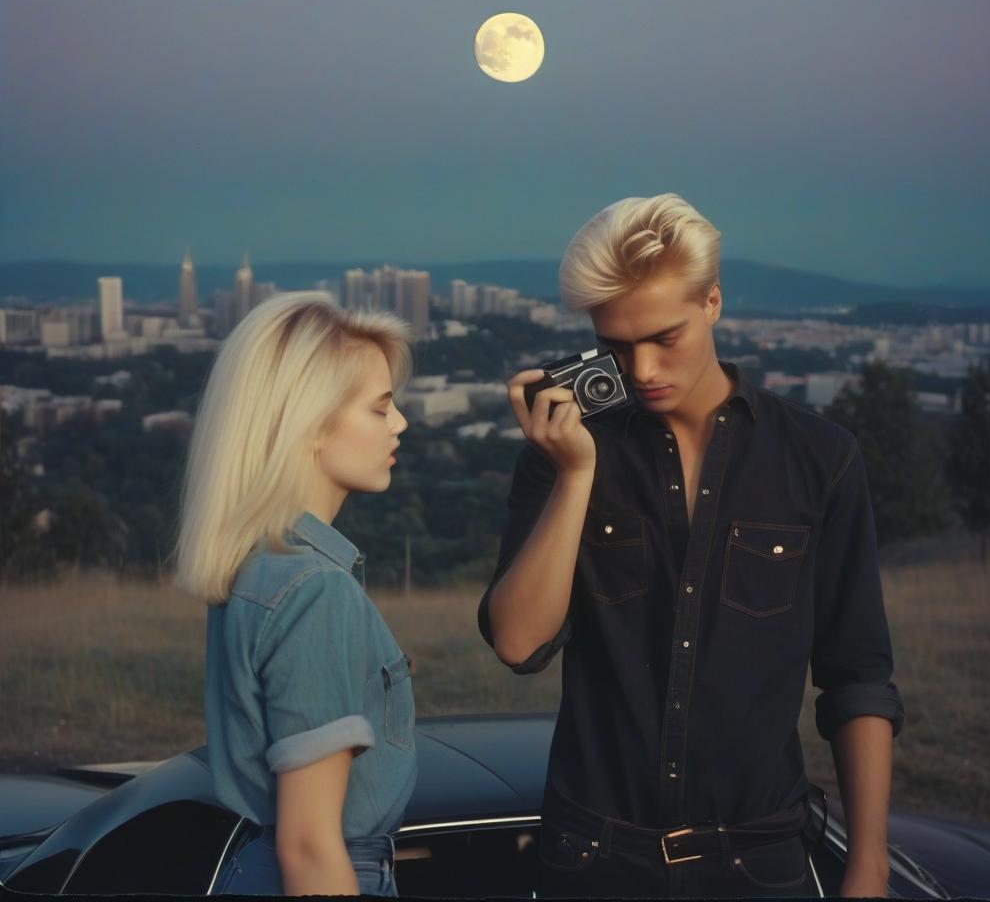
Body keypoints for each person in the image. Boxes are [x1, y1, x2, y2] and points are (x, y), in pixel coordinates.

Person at [478, 194, 905, 899]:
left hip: (759, 862)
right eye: (616, 346)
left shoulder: (819, 457)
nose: (641, 370)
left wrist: (869, 866)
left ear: (712, 302)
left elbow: (857, 673)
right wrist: (576, 473)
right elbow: (519, 643)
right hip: (590, 860)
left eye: (664, 337)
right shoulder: (567, 450)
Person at [174, 291, 415, 897]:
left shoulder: (261, 568)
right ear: (308, 423)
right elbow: (309, 844)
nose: (400, 423)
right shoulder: (313, 591)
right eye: (380, 407)